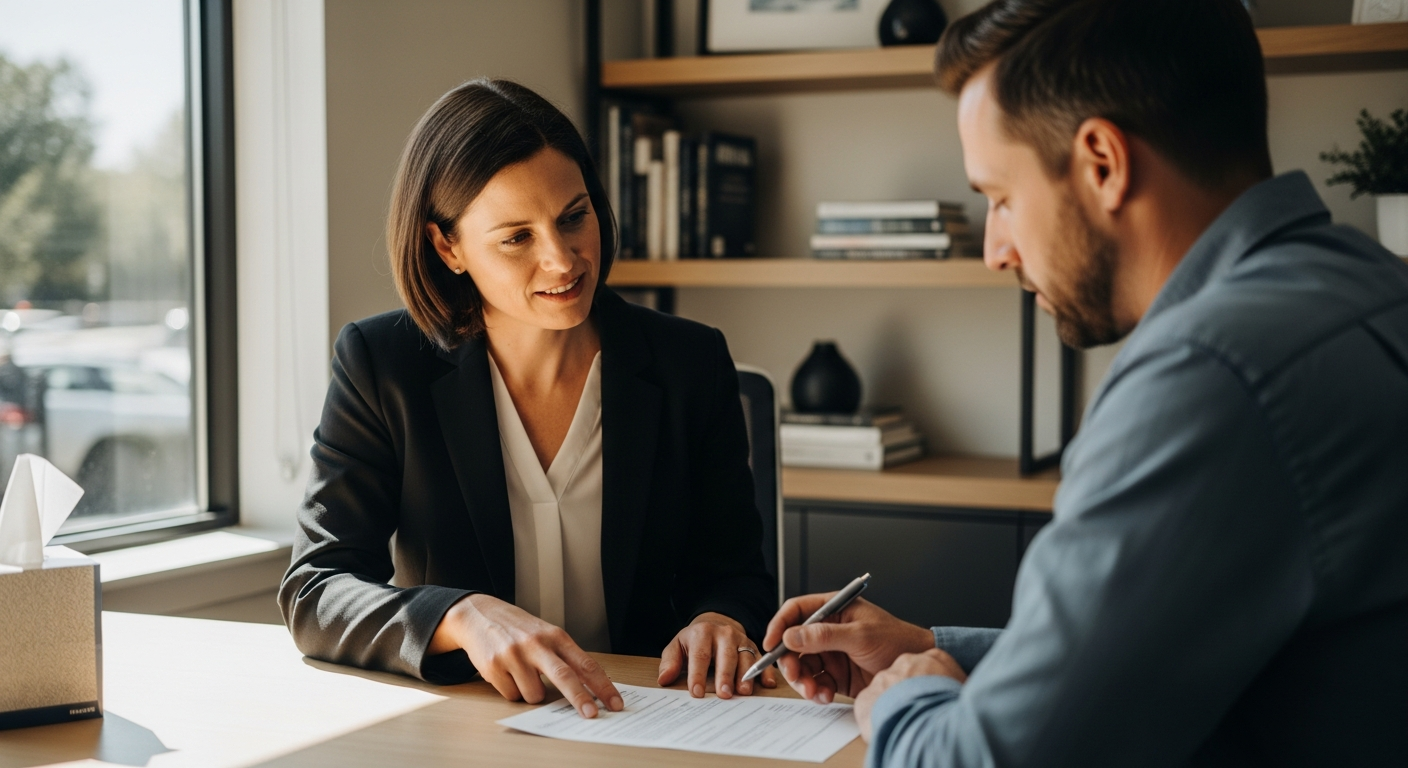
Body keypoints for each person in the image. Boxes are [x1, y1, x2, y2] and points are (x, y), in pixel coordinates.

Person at [764, 0, 1408, 765]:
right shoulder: (1372, 286)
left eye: (1001, 198)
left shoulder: (1207, 378)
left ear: (1102, 162)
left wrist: (905, 699)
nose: (995, 250)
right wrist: (933, 650)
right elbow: (1167, 646)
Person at [279, 79, 777, 720]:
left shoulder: (690, 362)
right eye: (517, 238)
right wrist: (459, 615)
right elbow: (316, 591)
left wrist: (722, 617)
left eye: (574, 217)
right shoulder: (382, 364)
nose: (563, 260)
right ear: (448, 247)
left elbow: (736, 569)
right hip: (474, 723)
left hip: (651, 716)